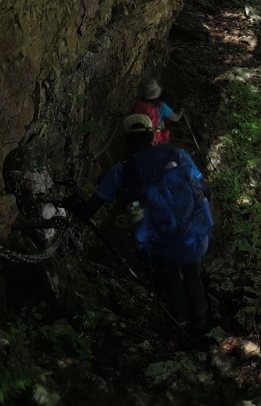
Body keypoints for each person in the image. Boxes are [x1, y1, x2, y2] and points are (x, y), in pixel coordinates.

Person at [70, 114, 214, 330]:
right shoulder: (179, 155)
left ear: (126, 141)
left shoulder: (121, 171)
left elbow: (88, 210)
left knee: (169, 275)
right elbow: (206, 191)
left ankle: (182, 318)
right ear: (153, 136)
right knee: (192, 267)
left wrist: (71, 205)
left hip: (160, 249)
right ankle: (201, 314)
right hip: (195, 238)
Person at [133, 78, 183, 145]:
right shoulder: (161, 106)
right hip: (155, 138)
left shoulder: (139, 103)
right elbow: (176, 118)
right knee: (166, 133)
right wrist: (181, 110)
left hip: (139, 133)